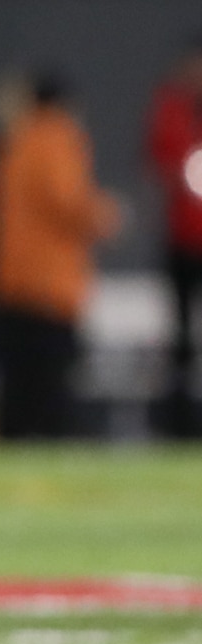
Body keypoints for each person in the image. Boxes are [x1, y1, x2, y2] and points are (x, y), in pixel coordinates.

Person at [0, 71, 123, 440]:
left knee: (17, 386)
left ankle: (14, 451)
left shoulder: (16, 140)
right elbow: (66, 201)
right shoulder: (56, 136)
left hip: (12, 283)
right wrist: (106, 216)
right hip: (48, 285)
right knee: (49, 386)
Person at [142, 39, 202, 438]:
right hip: (183, 241)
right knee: (180, 338)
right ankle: (180, 423)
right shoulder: (172, 108)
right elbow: (160, 157)